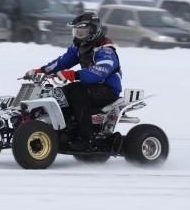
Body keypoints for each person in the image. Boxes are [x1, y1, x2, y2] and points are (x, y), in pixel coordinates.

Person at [26, 12, 122, 150]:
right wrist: (41, 71)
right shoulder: (80, 48)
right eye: (77, 32)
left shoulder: (106, 50)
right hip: (89, 86)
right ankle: (65, 130)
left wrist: (73, 74)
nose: (78, 36)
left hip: (107, 89)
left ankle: (86, 138)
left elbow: (100, 72)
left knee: (78, 93)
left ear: (93, 32)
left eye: (82, 32)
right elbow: (61, 62)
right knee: (59, 93)